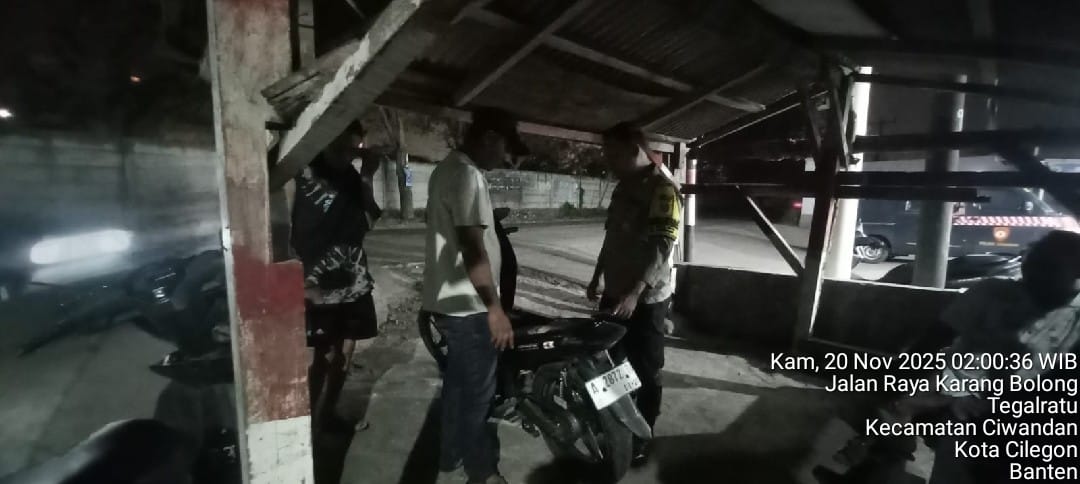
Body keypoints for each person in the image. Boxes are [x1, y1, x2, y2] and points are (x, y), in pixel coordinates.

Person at [421, 107, 528, 484]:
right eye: (506, 149)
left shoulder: (447, 170)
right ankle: (481, 472)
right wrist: (495, 309)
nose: (506, 159)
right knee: (478, 396)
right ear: (490, 139)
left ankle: (450, 455)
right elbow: (472, 247)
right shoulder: (467, 175)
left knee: (457, 385)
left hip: (449, 302)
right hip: (469, 307)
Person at [587, 122, 681, 466]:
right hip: (615, 292)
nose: (609, 162)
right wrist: (597, 275)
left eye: (613, 154)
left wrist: (635, 293)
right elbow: (611, 236)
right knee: (608, 363)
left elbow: (662, 246)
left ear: (633, 150)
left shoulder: (663, 189)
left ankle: (643, 434)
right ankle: (612, 426)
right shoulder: (622, 187)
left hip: (647, 299)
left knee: (646, 367)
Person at [291, 120, 382, 432]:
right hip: (315, 281)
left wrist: (367, 176)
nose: (349, 152)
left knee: (345, 350)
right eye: (342, 145)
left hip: (352, 278)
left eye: (354, 147)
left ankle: (327, 415)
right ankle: (305, 428)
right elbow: (283, 227)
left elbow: (369, 221)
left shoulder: (353, 178)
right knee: (320, 355)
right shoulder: (302, 172)